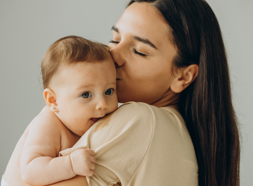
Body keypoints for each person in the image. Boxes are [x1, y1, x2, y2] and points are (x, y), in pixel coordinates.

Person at [52, 0, 240, 185]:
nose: (113, 55)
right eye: (115, 40)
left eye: (139, 51)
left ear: (183, 77)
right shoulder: (176, 132)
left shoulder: (143, 121)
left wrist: (53, 112)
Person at [2, 36, 118, 186]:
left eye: (109, 91)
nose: (102, 104)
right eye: (86, 95)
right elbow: (30, 173)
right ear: (53, 101)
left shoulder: (93, 121)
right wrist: (70, 164)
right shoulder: (48, 125)